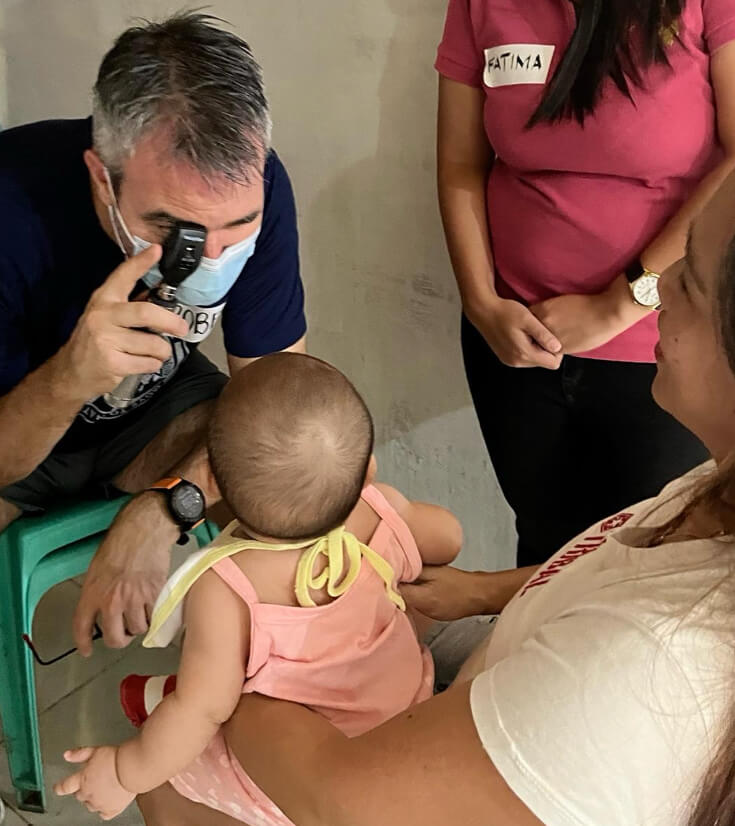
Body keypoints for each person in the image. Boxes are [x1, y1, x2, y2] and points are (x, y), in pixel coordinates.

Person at [104, 174, 735, 826]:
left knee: (167, 781)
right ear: (366, 468)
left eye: (689, 279)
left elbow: (336, 798)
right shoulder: (708, 489)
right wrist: (480, 589)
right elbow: (452, 537)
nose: (659, 284)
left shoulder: (645, 663)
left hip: (346, 765)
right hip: (411, 692)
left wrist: (232, 694)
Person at [0, 12, 306, 654]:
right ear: (101, 176)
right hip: (16, 429)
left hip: (154, 413)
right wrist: (69, 379)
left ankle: (306, 685)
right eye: (176, 230)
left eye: (237, 227)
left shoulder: (259, 188)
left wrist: (167, 507)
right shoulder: (11, 211)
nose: (212, 257)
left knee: (313, 468)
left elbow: (277, 409)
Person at [55, 353, 462, 824]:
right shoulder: (378, 511)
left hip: (301, 772)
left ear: (216, 487)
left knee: (177, 758)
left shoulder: (227, 586)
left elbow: (202, 708)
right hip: (406, 713)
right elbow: (448, 538)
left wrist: (124, 772)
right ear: (367, 471)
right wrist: (393, 519)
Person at [437, 0, 735, 565]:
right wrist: (481, 302)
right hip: (516, 340)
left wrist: (622, 303)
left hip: (663, 345)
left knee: (648, 556)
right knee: (543, 544)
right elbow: (460, 164)